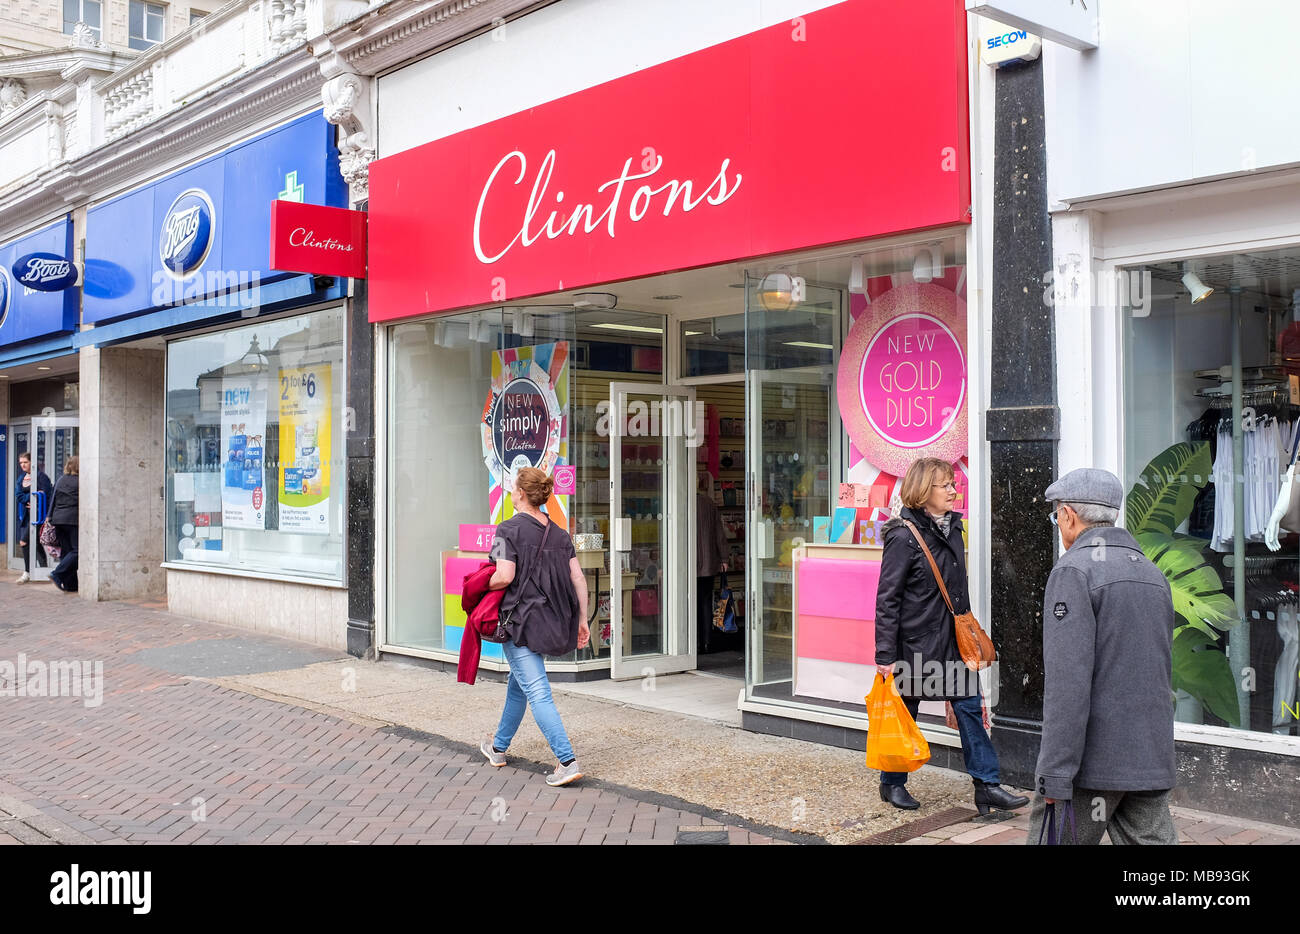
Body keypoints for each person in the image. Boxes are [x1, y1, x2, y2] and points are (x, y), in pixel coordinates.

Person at [1029, 468, 1179, 845]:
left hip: (1091, 766)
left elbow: (1068, 685)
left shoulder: (1073, 571)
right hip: (1148, 757)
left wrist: (1055, 775)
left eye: (1056, 515)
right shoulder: (1151, 572)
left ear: (1068, 515)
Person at [874, 457, 1028, 814]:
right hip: (916, 643)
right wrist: (885, 655)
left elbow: (956, 590)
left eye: (953, 484)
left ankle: (987, 786)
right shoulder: (902, 536)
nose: (953, 491)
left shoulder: (953, 528)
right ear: (924, 490)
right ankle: (892, 782)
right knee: (906, 713)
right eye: (946, 485)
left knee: (970, 709)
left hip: (952, 644)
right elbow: (887, 599)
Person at [480, 467, 591, 787]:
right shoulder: (560, 534)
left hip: (521, 625)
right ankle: (498, 748)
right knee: (520, 685)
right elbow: (578, 578)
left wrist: (477, 585)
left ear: (523, 494)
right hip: (551, 623)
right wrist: (582, 620)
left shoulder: (506, 530)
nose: (511, 493)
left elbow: (503, 575)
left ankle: (567, 761)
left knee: (538, 692)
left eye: (513, 488)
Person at [696, 475, 729, 654]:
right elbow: (719, 533)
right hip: (709, 563)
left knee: (690, 603)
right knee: (706, 602)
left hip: (687, 565)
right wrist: (724, 559)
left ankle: (691, 643)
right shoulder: (709, 503)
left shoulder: (681, 504)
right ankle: (707, 642)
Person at [14, 451, 52, 584]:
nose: (23, 465)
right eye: (21, 463)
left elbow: (46, 494)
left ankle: (28, 572)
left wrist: (34, 500)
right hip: (26, 516)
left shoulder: (41, 477)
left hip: (39, 517)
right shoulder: (21, 478)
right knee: (35, 544)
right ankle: (43, 570)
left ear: (32, 462)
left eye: (25, 462)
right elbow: (18, 495)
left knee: (24, 542)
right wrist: (30, 498)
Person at [48, 456, 80, 593]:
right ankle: (57, 573)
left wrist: (49, 517)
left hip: (57, 520)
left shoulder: (61, 480)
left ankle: (70, 585)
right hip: (71, 520)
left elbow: (53, 498)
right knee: (77, 551)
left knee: (67, 552)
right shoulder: (80, 481)